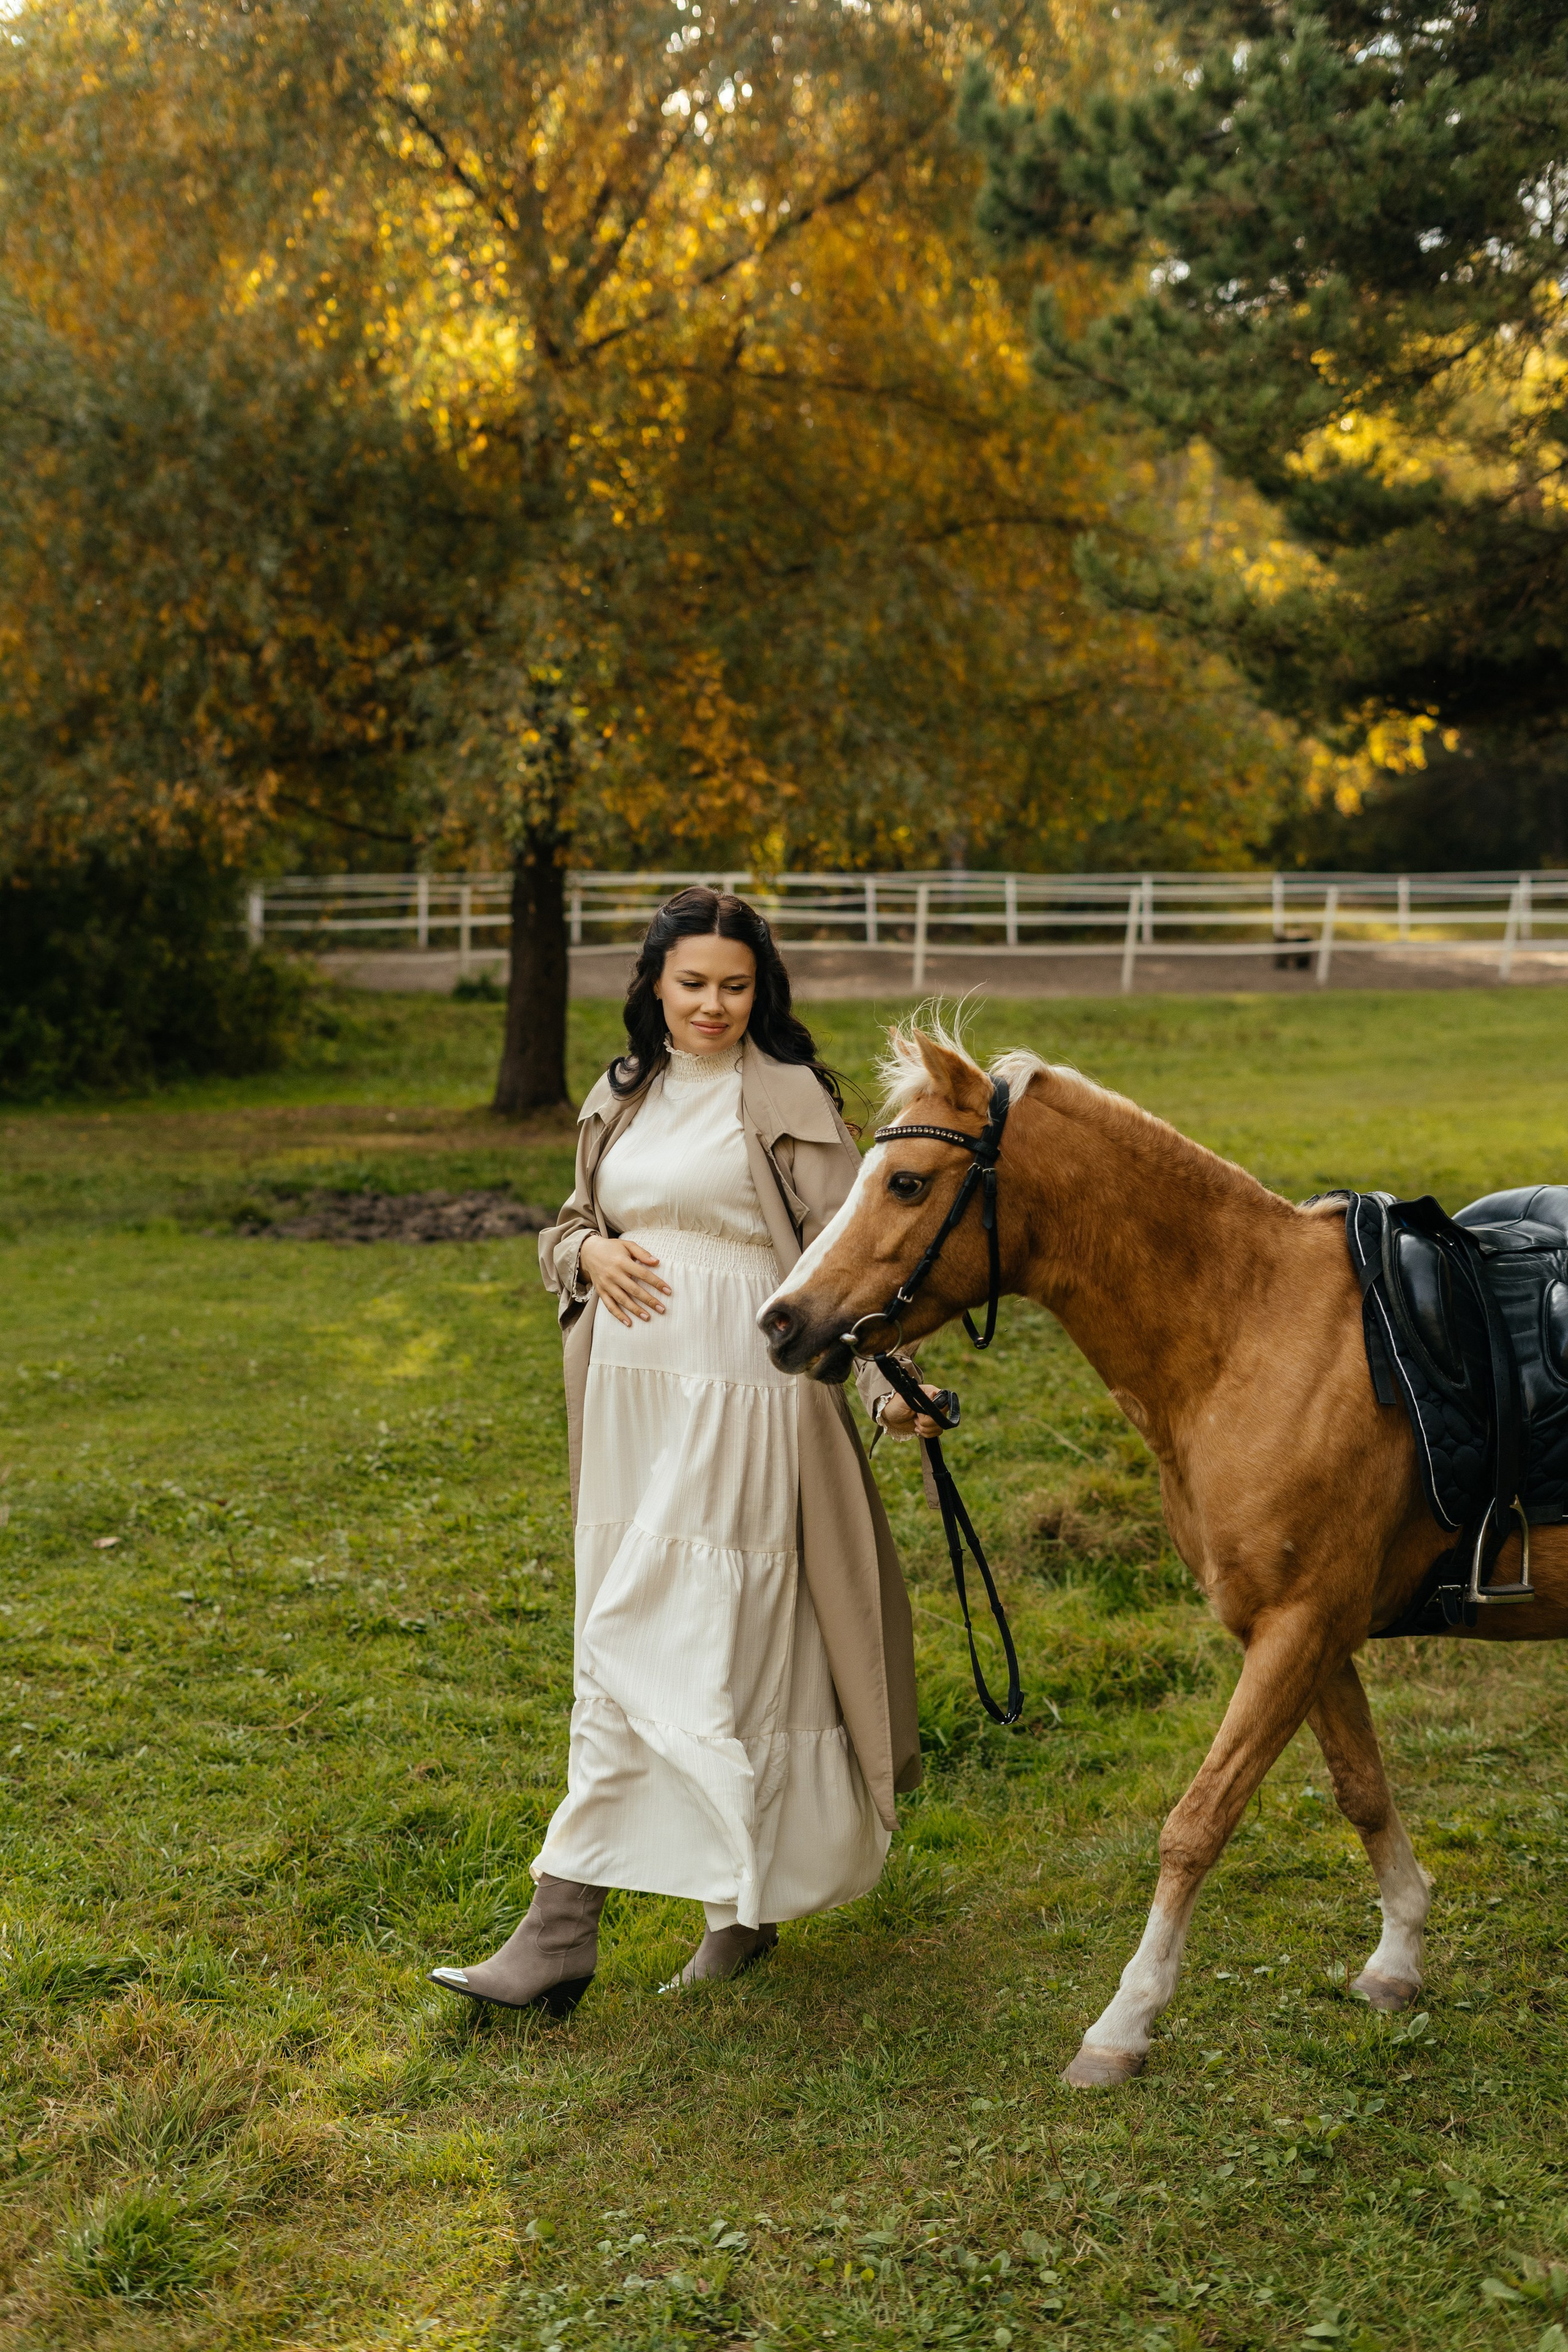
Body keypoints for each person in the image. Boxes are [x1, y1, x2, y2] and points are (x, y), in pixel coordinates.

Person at [430, 887, 941, 2013]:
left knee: (653, 1633)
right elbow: (570, 1225)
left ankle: (559, 1928)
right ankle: (742, 1910)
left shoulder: (791, 1097)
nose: (713, 1005)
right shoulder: (621, 1093)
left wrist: (888, 1388)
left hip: (742, 1394)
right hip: (630, 1408)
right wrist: (587, 1258)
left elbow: (852, 1259)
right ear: (655, 985)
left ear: (763, 991)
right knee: (701, 1644)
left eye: (736, 986)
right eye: (694, 983)